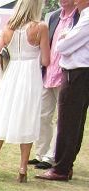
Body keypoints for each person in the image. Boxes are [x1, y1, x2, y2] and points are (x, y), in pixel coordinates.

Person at [0, 0, 49, 182]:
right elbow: (46, 60)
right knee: (27, 116)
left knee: (3, 114)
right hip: (30, 76)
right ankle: (22, 167)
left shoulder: (8, 28)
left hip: (10, 74)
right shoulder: (41, 28)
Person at [37, 0, 89, 181]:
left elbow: (62, 47)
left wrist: (64, 38)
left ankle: (61, 167)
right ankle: (66, 164)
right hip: (77, 73)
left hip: (76, 73)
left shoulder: (87, 17)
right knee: (73, 121)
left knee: (68, 122)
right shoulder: (83, 17)